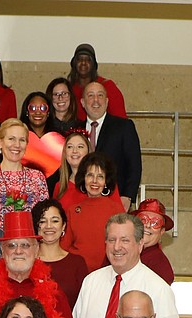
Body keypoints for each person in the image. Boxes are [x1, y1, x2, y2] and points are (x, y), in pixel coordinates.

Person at [73, 213, 180, 318]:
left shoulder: (159, 289)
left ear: (140, 244)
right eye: (112, 240)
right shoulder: (90, 282)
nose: (117, 247)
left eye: (125, 240)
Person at [0, 210, 71, 318]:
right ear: (2, 250)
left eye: (25, 245)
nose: (18, 251)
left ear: (36, 250)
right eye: (11, 245)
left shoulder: (55, 293)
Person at [0, 120, 49, 230]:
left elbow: (45, 216)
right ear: (0, 142)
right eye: (11, 139)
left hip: (30, 241)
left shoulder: (37, 177)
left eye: (22, 140)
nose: (17, 145)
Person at [81, 81, 141, 210]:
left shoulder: (124, 127)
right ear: (82, 102)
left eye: (100, 95)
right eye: (90, 95)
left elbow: (134, 164)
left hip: (114, 200)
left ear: (107, 101)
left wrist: (128, 196)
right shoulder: (74, 128)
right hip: (80, 200)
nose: (96, 100)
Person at [60, 151, 123, 273]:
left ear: (106, 182)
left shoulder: (116, 210)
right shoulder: (73, 211)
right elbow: (64, 248)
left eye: (100, 176)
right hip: (77, 273)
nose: (94, 181)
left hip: (108, 273)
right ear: (83, 178)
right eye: (90, 175)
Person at [31, 199, 87, 311]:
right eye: (42, 221)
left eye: (55, 221)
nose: (48, 226)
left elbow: (85, 305)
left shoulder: (77, 263)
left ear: (63, 226)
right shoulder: (27, 263)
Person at [68, 42, 127, 118]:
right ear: (74, 64)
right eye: (79, 59)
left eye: (88, 60)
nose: (83, 63)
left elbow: (120, 120)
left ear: (93, 64)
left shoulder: (107, 86)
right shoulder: (68, 89)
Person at [132, 198, 175, 285]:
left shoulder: (160, 266)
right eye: (143, 220)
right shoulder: (119, 251)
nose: (147, 225)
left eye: (155, 223)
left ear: (162, 231)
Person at [48, 128, 90, 212]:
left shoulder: (100, 182)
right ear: (65, 152)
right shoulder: (59, 187)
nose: (75, 151)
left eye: (80, 147)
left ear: (88, 152)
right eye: (70, 147)